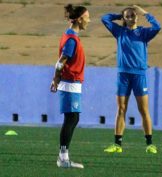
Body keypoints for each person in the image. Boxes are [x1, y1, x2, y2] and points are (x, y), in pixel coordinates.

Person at [101, 5, 161, 153]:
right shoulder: (119, 31)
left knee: (143, 109)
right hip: (123, 75)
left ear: (137, 16)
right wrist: (118, 15)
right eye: (127, 16)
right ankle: (117, 144)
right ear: (124, 18)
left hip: (139, 75)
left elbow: (157, 26)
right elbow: (104, 18)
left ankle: (149, 143)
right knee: (121, 109)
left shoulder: (143, 33)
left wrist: (145, 12)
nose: (130, 18)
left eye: (132, 15)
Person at [50, 4, 90, 168]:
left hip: (72, 82)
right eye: (87, 17)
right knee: (71, 118)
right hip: (69, 82)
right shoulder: (72, 39)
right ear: (80, 19)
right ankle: (63, 158)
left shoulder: (70, 35)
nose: (89, 20)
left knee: (73, 118)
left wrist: (56, 79)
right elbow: (60, 63)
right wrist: (56, 79)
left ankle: (63, 157)